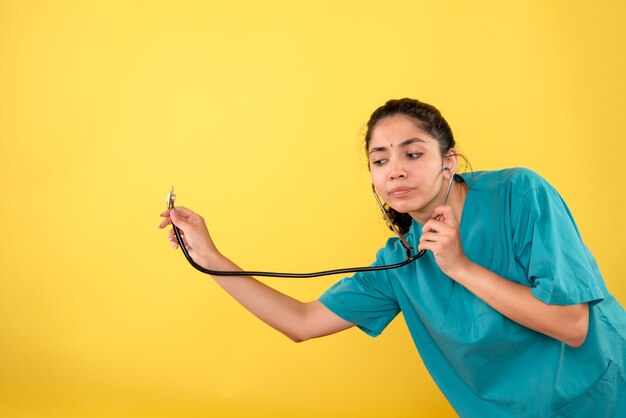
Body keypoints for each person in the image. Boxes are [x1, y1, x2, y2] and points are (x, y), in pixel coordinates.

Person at [159, 98, 626, 417]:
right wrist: (210, 256)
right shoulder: (399, 261)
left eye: (413, 152)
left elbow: (571, 324)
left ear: (449, 160)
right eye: (379, 160)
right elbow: (301, 322)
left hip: (600, 398)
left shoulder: (519, 194)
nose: (395, 169)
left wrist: (460, 268)